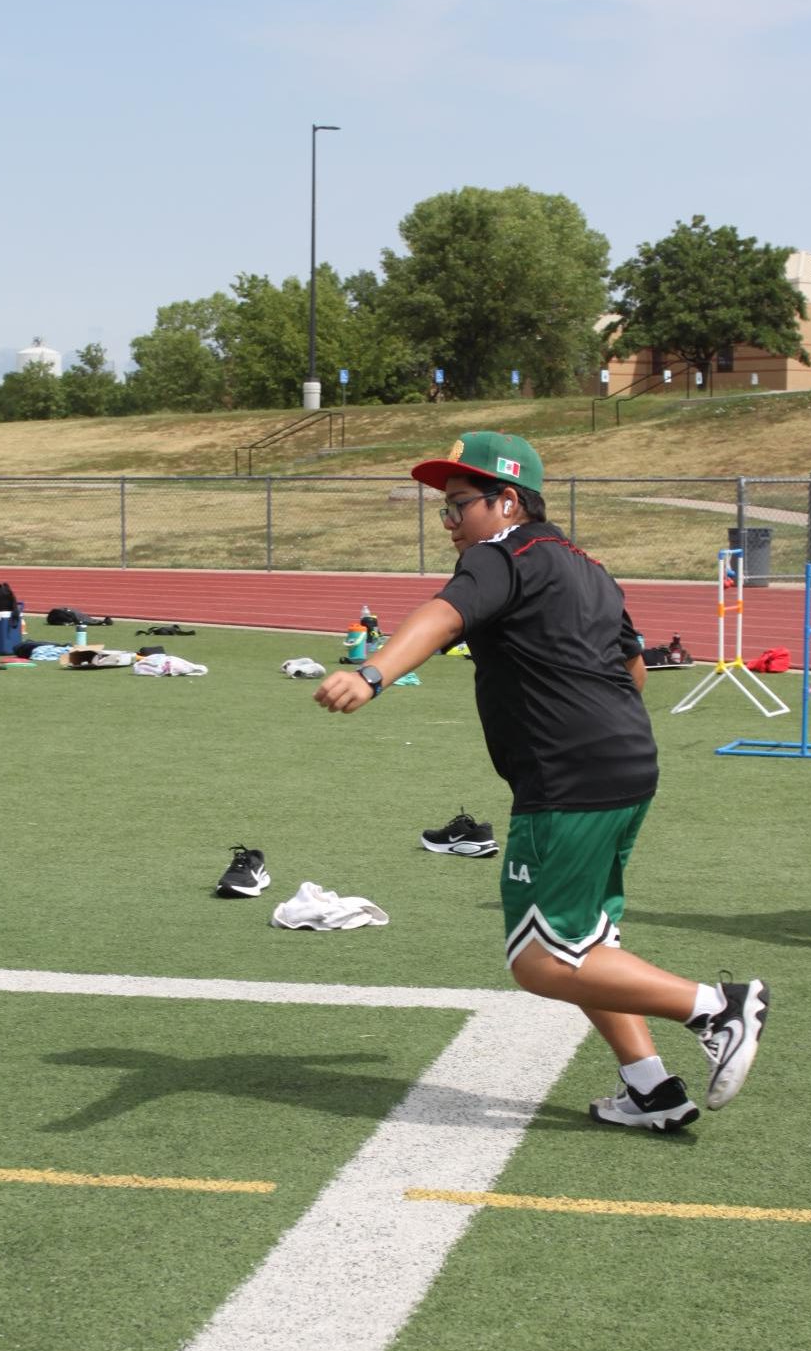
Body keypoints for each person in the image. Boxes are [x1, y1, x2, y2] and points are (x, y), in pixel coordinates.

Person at [313, 430, 770, 1130]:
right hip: (626, 764)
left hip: (568, 777)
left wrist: (373, 673)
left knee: (537, 960)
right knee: (587, 945)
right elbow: (633, 667)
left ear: (506, 502)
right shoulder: (587, 565)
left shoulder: (502, 556)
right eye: (443, 509)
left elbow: (442, 614)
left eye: (458, 505)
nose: (449, 524)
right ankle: (650, 1087)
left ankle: (716, 1007)